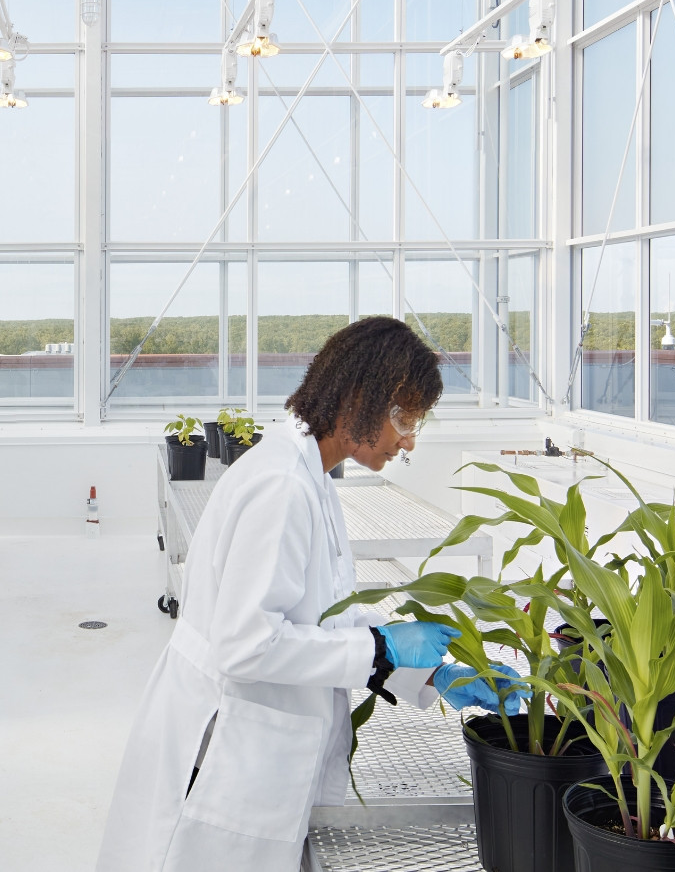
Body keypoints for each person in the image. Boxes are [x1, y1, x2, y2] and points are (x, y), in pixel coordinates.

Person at [97, 316, 523, 872]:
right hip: (223, 755)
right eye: (406, 417)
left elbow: (317, 619)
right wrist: (382, 649)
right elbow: (245, 645)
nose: (410, 439)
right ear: (358, 399)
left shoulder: (312, 477)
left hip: (261, 752)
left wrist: (432, 670)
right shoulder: (282, 487)